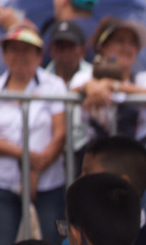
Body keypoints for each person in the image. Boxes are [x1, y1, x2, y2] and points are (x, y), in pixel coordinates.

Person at [0, 25, 68, 245]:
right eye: (13, 49)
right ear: (4, 54)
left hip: (49, 180)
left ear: (40, 55)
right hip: (2, 181)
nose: (20, 56)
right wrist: (26, 156)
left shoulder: (54, 85)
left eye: (27, 50)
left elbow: (60, 133)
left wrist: (37, 166)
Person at [77, 18, 146, 148]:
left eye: (132, 43)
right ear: (103, 47)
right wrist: (89, 87)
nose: (126, 48)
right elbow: (74, 88)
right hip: (97, 156)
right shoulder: (85, 75)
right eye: (119, 41)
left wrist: (111, 85)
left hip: (136, 158)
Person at [44, 20, 94, 163]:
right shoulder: (40, 79)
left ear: (83, 50)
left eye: (71, 46)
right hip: (51, 153)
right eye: (60, 46)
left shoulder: (93, 75)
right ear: (51, 50)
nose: (66, 52)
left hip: (86, 150)